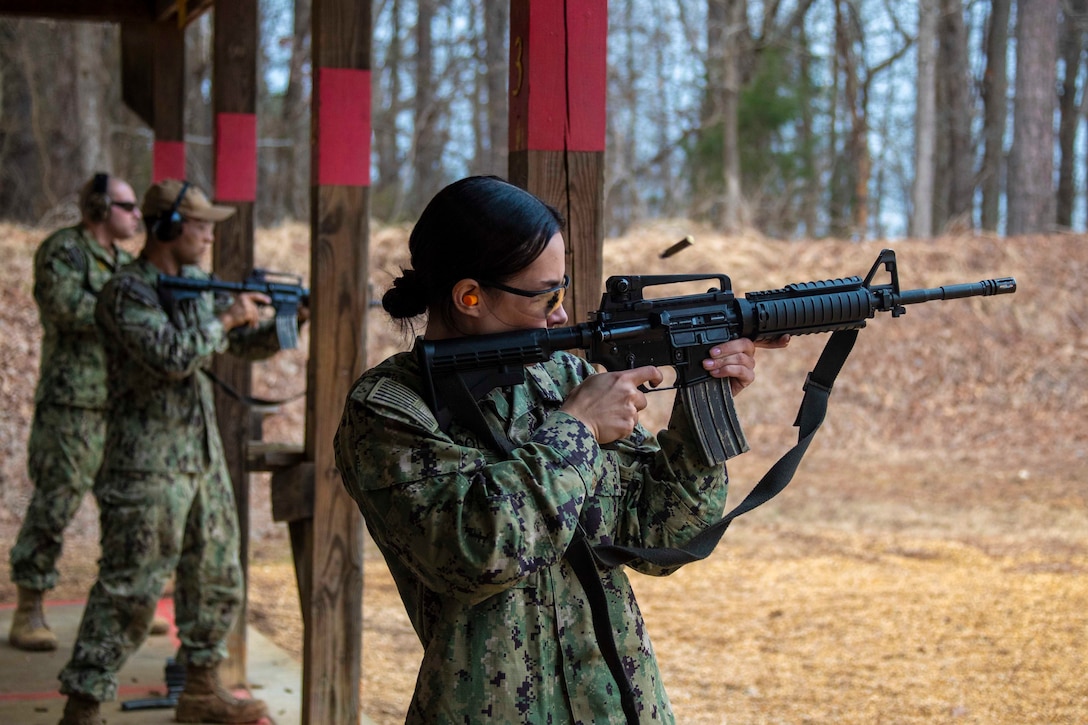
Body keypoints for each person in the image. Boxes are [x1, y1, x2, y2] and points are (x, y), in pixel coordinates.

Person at [333, 175, 788, 723]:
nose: (559, 315)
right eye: (544, 296)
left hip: (620, 704)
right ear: (469, 297)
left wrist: (701, 398)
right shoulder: (389, 410)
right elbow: (476, 554)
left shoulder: (560, 375)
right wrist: (576, 429)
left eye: (563, 291)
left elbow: (658, 535)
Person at [56, 179, 293, 725]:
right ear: (166, 227)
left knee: (215, 577)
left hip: (199, 459)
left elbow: (231, 343)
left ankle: (202, 690)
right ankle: (84, 704)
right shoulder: (127, 292)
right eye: (201, 223)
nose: (211, 234)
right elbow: (169, 355)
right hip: (145, 465)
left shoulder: (193, 283)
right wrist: (227, 316)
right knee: (130, 588)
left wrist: (281, 323)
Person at [8, 173, 152, 651]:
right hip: (71, 404)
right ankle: (29, 605)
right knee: (56, 503)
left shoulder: (123, 262)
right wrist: (130, 312)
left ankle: (122, 604)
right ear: (99, 207)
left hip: (116, 404)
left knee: (124, 508)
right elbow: (67, 307)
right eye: (128, 206)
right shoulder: (63, 251)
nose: (136, 215)